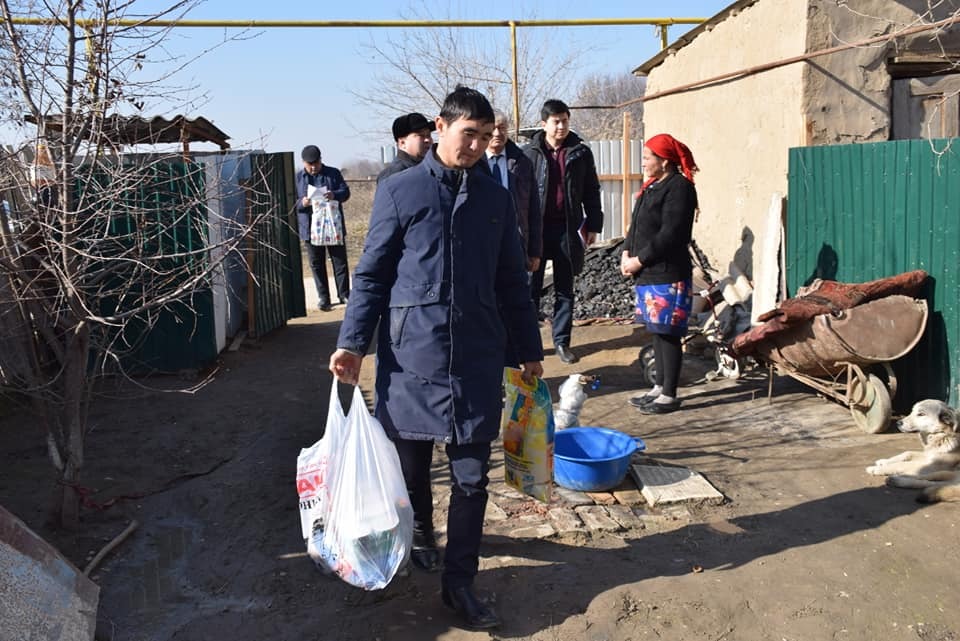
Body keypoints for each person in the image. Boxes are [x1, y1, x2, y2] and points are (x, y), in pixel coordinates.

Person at [329, 86, 543, 631]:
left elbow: (511, 283)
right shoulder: (400, 192)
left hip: (475, 355)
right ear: (439, 127)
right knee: (412, 467)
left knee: (472, 478)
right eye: (467, 133)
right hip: (411, 356)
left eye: (484, 136)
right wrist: (353, 344)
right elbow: (372, 275)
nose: (475, 145)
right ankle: (420, 530)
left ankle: (459, 583)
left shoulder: (494, 200)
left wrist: (528, 351)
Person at [621, 133, 699, 415]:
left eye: (646, 157)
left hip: (668, 273)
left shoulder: (680, 188)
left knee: (669, 333)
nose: (643, 162)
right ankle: (658, 388)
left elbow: (671, 234)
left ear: (664, 161)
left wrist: (639, 260)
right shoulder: (653, 186)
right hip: (649, 274)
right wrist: (626, 253)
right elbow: (636, 224)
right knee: (656, 330)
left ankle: (669, 394)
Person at [525, 99, 603, 364]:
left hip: (566, 229)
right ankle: (529, 345)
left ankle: (562, 342)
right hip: (536, 231)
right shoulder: (530, 154)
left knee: (565, 290)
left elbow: (591, 190)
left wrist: (593, 224)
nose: (561, 126)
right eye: (556, 121)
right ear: (544, 123)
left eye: (565, 120)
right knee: (529, 290)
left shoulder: (580, 152)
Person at [295, 145, 351, 311]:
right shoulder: (298, 178)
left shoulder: (333, 173)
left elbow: (345, 192)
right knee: (317, 264)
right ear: (303, 163)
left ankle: (344, 294)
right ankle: (323, 298)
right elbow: (291, 201)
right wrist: (302, 202)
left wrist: (334, 195)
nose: (313, 167)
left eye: (316, 163)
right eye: (309, 164)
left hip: (334, 226)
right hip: (310, 228)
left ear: (321, 160)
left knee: (340, 262)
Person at [485, 109, 541, 274]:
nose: (497, 133)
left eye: (502, 128)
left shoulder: (522, 162)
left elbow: (534, 210)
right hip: (484, 245)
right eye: (493, 128)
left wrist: (535, 251)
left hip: (515, 242)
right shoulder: (473, 164)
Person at [376, 112, 436, 183]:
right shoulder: (392, 176)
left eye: (428, 135)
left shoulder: (433, 169)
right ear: (402, 143)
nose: (427, 140)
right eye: (421, 135)